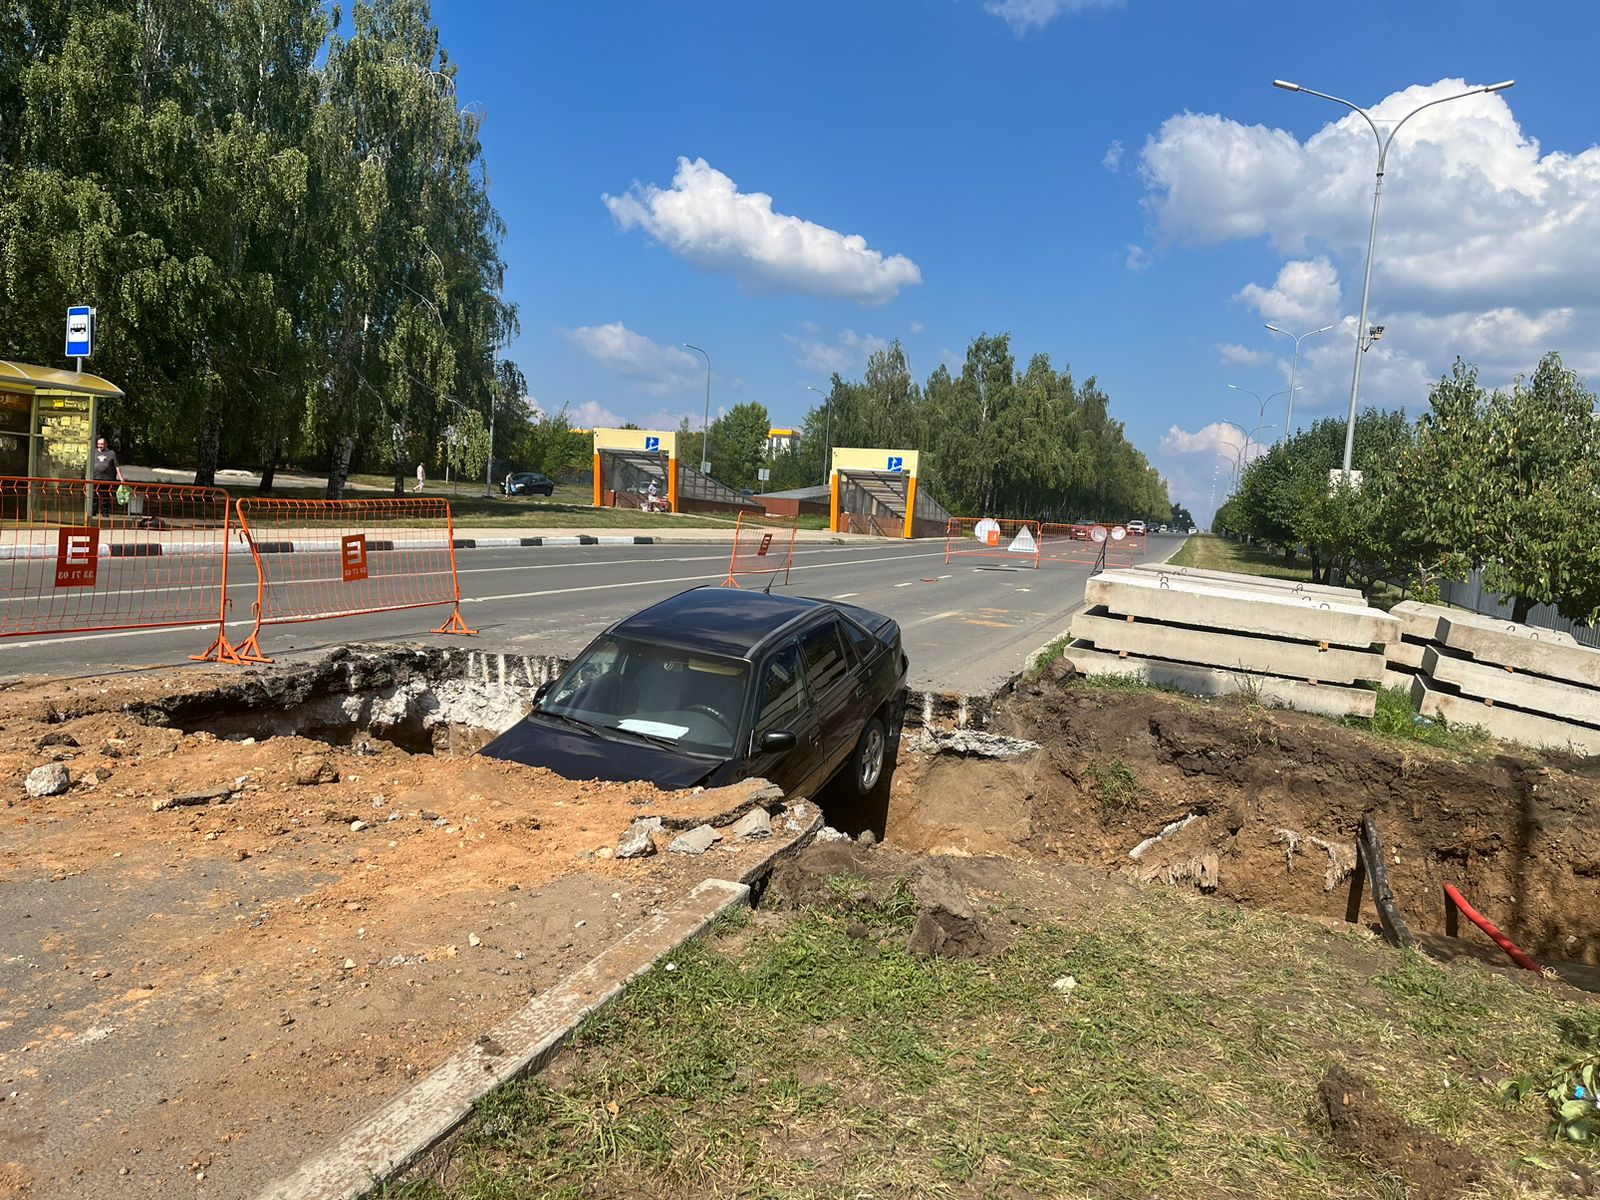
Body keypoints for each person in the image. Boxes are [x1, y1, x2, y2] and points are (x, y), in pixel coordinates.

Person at [90, 435, 124, 518]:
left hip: (107, 479)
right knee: (94, 496)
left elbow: (116, 466)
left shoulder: (111, 453)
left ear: (106, 444)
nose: (100, 446)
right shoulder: (93, 452)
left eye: (102, 444)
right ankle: (93, 512)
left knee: (106, 496)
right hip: (95, 478)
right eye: (98, 444)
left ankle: (105, 512)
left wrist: (121, 478)